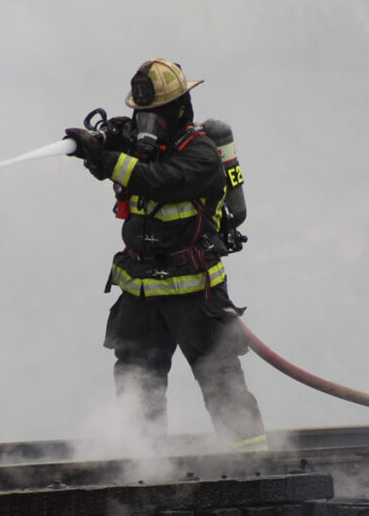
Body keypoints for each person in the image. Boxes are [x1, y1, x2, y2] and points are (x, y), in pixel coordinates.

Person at [64, 58, 267, 453]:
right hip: (140, 294)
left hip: (196, 295)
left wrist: (107, 161)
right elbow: (127, 172)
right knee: (138, 384)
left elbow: (158, 182)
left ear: (179, 111)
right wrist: (95, 147)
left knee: (221, 380)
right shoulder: (140, 148)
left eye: (154, 117)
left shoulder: (202, 156)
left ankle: (253, 467)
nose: (146, 126)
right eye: (141, 116)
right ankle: (143, 467)